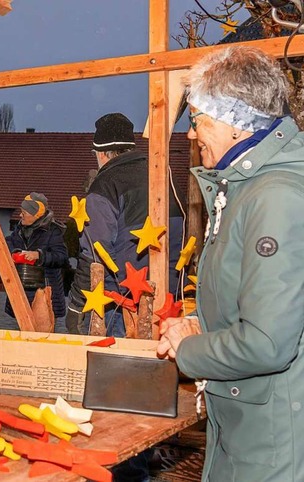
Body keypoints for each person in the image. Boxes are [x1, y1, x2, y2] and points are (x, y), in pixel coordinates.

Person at [157, 45, 304, 481]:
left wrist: (189, 349)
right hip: (252, 427)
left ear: (236, 124)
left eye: (197, 119)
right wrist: (204, 326)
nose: (190, 133)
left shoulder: (274, 198)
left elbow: (266, 343)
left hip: (274, 442)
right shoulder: (246, 189)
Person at [66, 112, 184, 337]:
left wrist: (77, 303)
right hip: (165, 299)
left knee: (116, 367)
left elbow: (94, 252)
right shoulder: (163, 176)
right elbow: (180, 235)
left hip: (119, 301)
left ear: (101, 154)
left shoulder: (106, 183)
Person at [5, 192, 68, 324]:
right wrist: (13, 253)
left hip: (46, 293)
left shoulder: (53, 231)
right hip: (22, 291)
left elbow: (62, 257)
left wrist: (39, 255)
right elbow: (8, 242)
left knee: (44, 336)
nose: (20, 215)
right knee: (20, 337)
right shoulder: (19, 229)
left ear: (36, 214)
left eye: (24, 212)